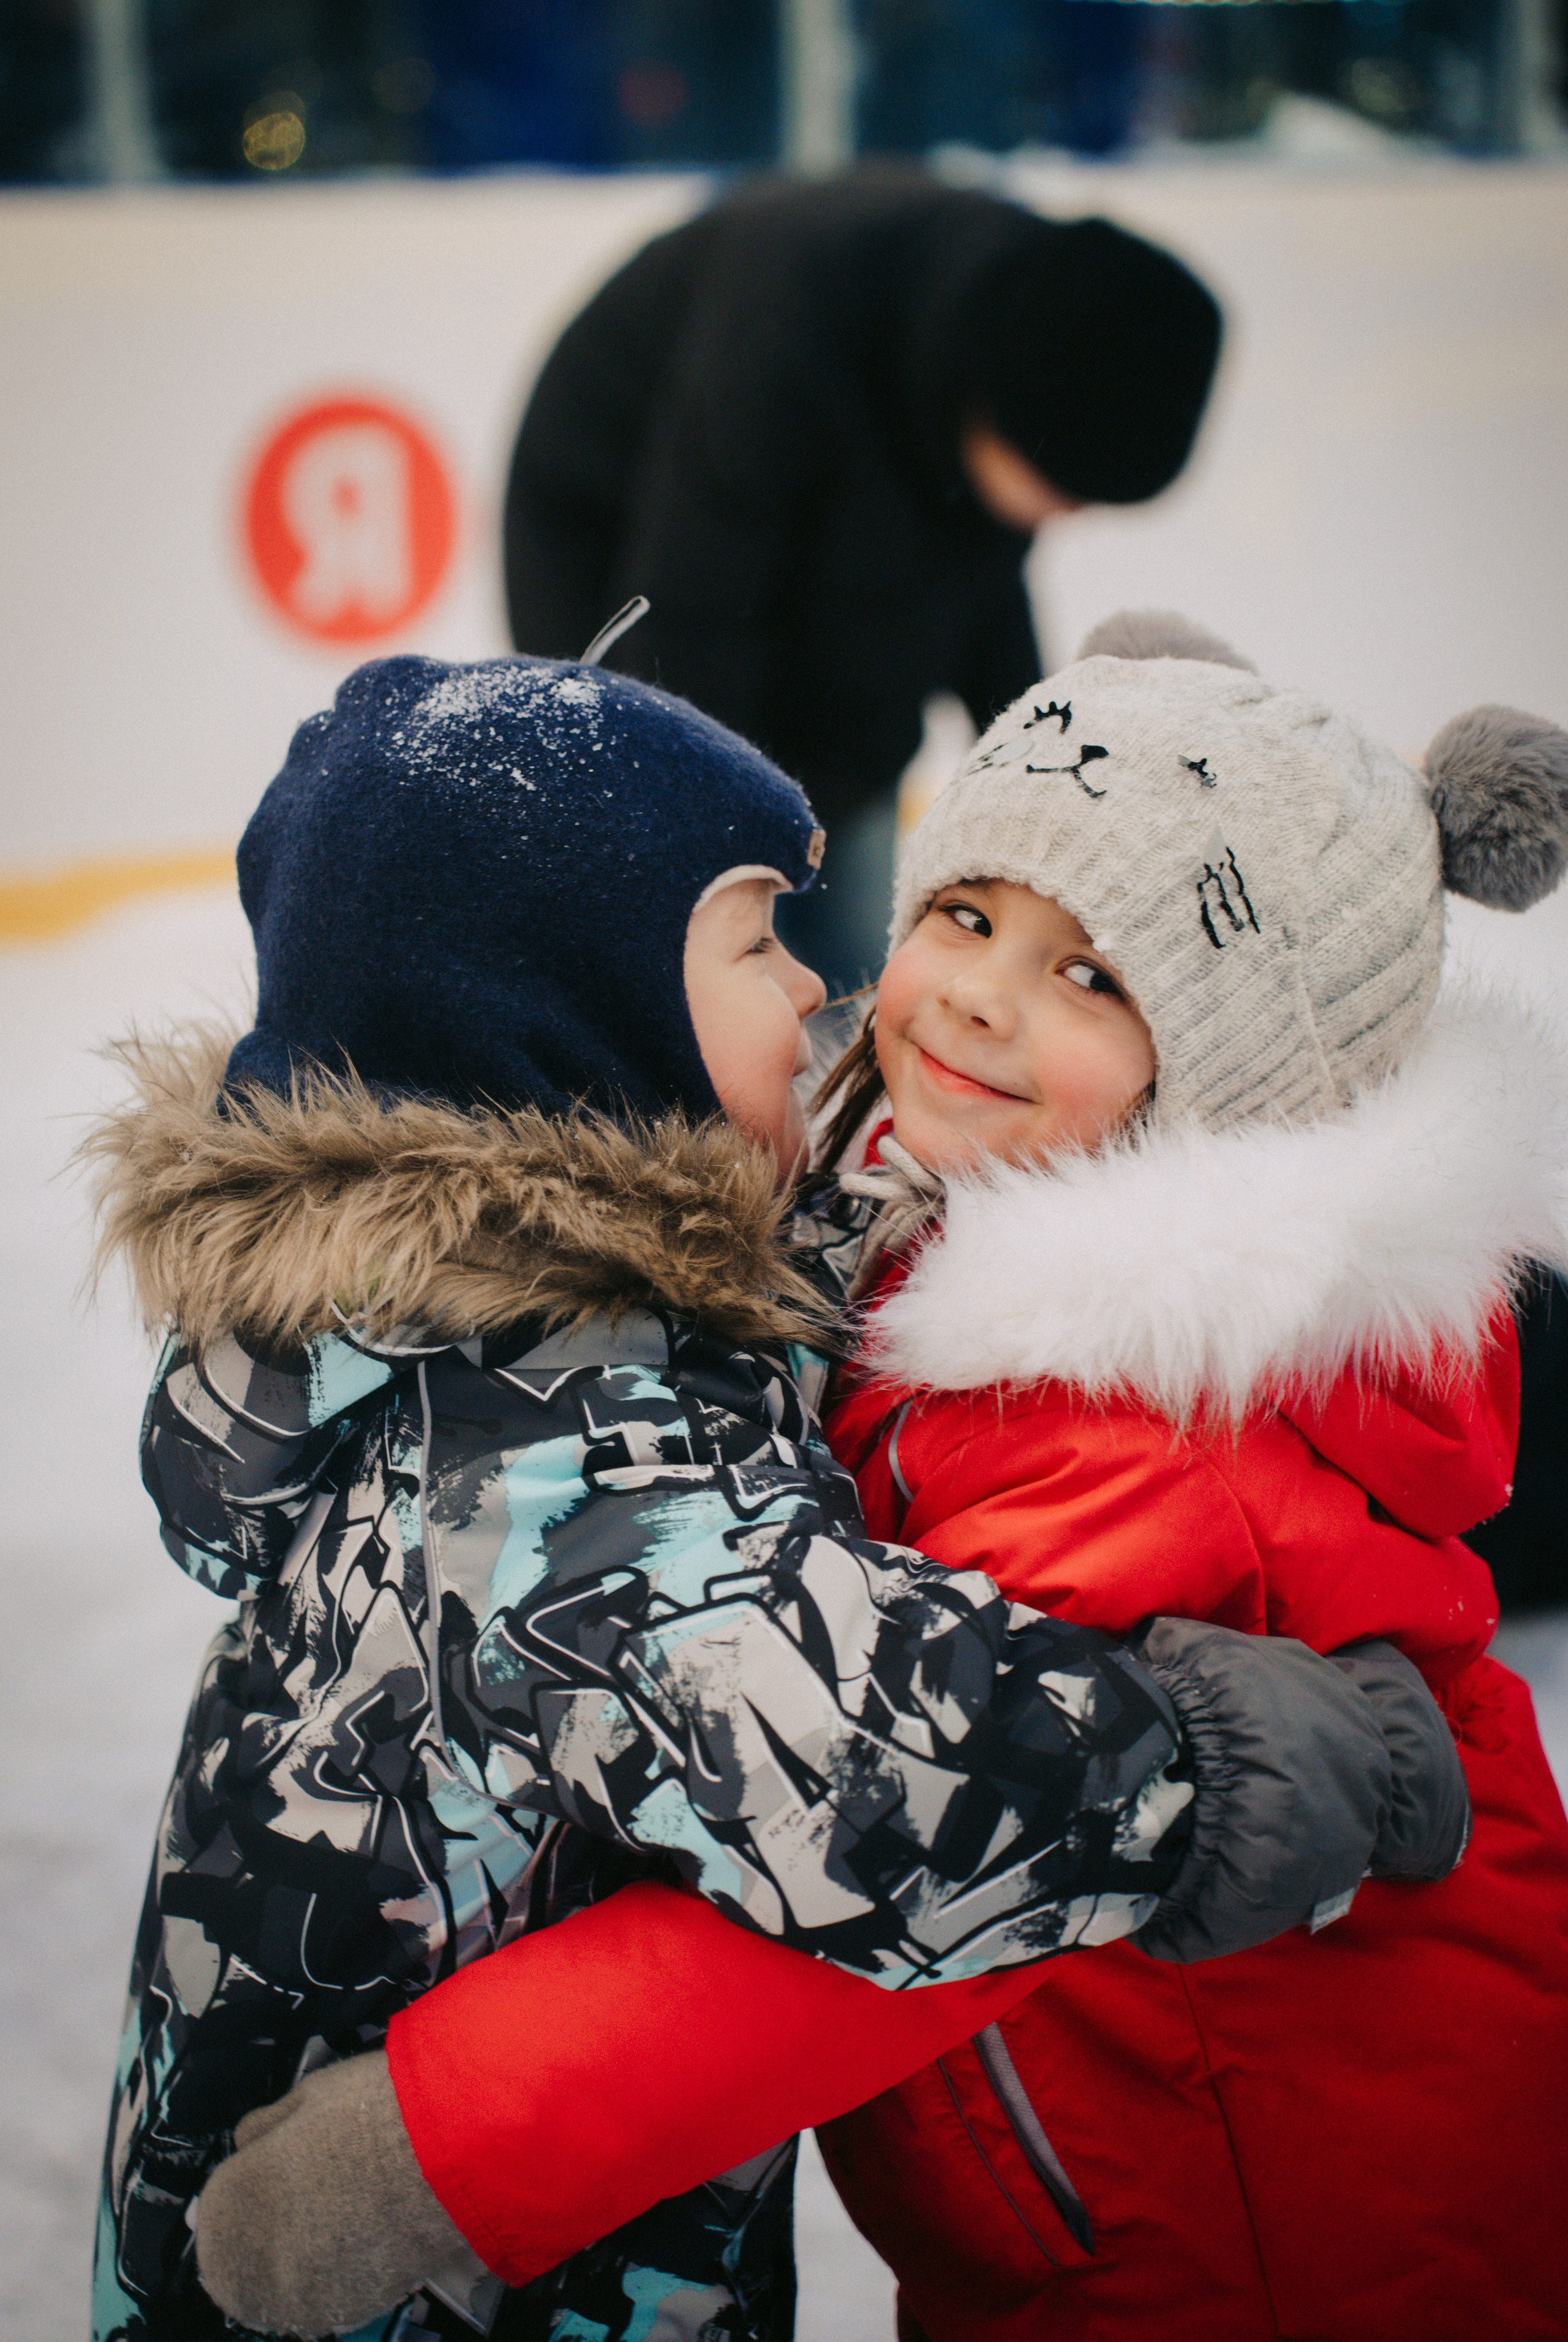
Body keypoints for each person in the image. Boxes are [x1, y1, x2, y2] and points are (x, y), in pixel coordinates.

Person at [173, 651, 1473, 2341]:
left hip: (1248, 2208)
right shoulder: (576, 1439)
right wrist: (1207, 1771)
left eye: (1087, 969)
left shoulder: (410, 1302)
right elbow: (876, 1792)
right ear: (580, 1023)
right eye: (762, 942)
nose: (835, 996)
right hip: (494, 2279)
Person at [503, 165, 1222, 993]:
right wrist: (703, 868)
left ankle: (840, 1007)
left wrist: (1052, 774)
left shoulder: (1028, 322)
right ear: (996, 409)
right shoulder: (789, 318)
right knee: (691, 924)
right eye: (1059, 489)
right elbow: (689, 613)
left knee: (846, 866)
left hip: (806, 563)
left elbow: (980, 591)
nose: (1063, 518)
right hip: (617, 551)